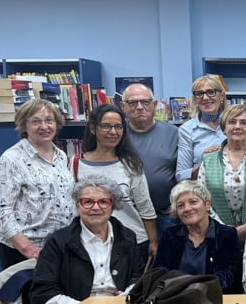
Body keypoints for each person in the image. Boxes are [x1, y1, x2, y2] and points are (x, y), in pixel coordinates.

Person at [29, 177, 141, 304]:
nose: (95, 207)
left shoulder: (127, 237)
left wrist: (126, 298)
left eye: (103, 202)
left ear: (113, 206)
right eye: (87, 202)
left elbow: (137, 279)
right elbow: (42, 294)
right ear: (77, 206)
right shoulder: (58, 241)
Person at [0, 99, 74, 269]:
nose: (44, 126)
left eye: (49, 120)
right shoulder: (12, 159)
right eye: (36, 121)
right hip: (21, 250)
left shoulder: (60, 156)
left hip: (56, 247)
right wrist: (27, 248)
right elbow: (1, 210)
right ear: (24, 125)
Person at [71, 104, 157, 259]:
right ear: (93, 129)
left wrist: (153, 241)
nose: (113, 132)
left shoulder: (131, 165)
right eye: (105, 126)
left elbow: (145, 206)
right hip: (89, 243)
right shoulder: (76, 163)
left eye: (118, 127)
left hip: (132, 242)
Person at [198, 104, 246, 243]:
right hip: (217, 233)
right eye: (232, 122)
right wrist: (223, 228)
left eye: (244, 122)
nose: (238, 126)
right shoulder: (209, 158)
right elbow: (202, 198)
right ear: (224, 128)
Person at [153, 180, 240, 292]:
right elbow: (159, 272)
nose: (187, 209)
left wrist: (193, 289)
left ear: (207, 205)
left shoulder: (227, 235)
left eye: (193, 202)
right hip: (173, 298)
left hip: (212, 298)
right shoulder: (170, 235)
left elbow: (226, 276)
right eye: (181, 206)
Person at [121, 83, 179, 238]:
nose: (139, 107)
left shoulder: (174, 133)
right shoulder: (116, 135)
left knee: (166, 261)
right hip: (128, 217)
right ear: (123, 106)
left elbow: (182, 172)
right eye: (133, 103)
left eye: (145, 102)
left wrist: (178, 205)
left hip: (167, 216)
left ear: (154, 105)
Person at [176, 74, 227, 182]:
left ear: (221, 96)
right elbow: (181, 175)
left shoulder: (235, 124)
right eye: (199, 94)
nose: (205, 98)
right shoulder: (187, 129)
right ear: (195, 99)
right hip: (202, 192)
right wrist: (205, 163)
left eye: (211, 92)